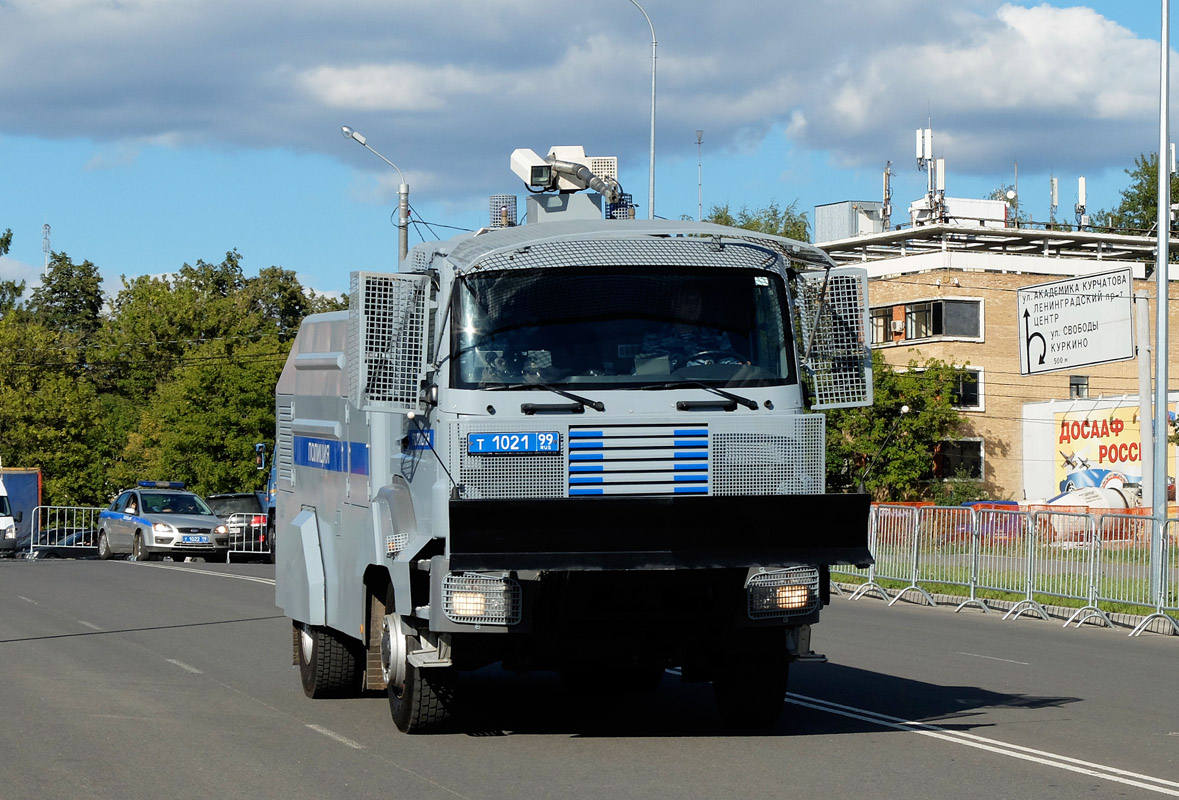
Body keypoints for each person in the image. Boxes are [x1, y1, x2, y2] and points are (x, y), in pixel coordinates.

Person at [637, 289, 742, 370]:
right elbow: (646, 372)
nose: (693, 306)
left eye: (696, 301)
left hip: (714, 390)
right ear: (674, 305)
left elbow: (729, 364)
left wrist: (738, 367)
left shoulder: (717, 335)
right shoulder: (653, 338)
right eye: (686, 301)